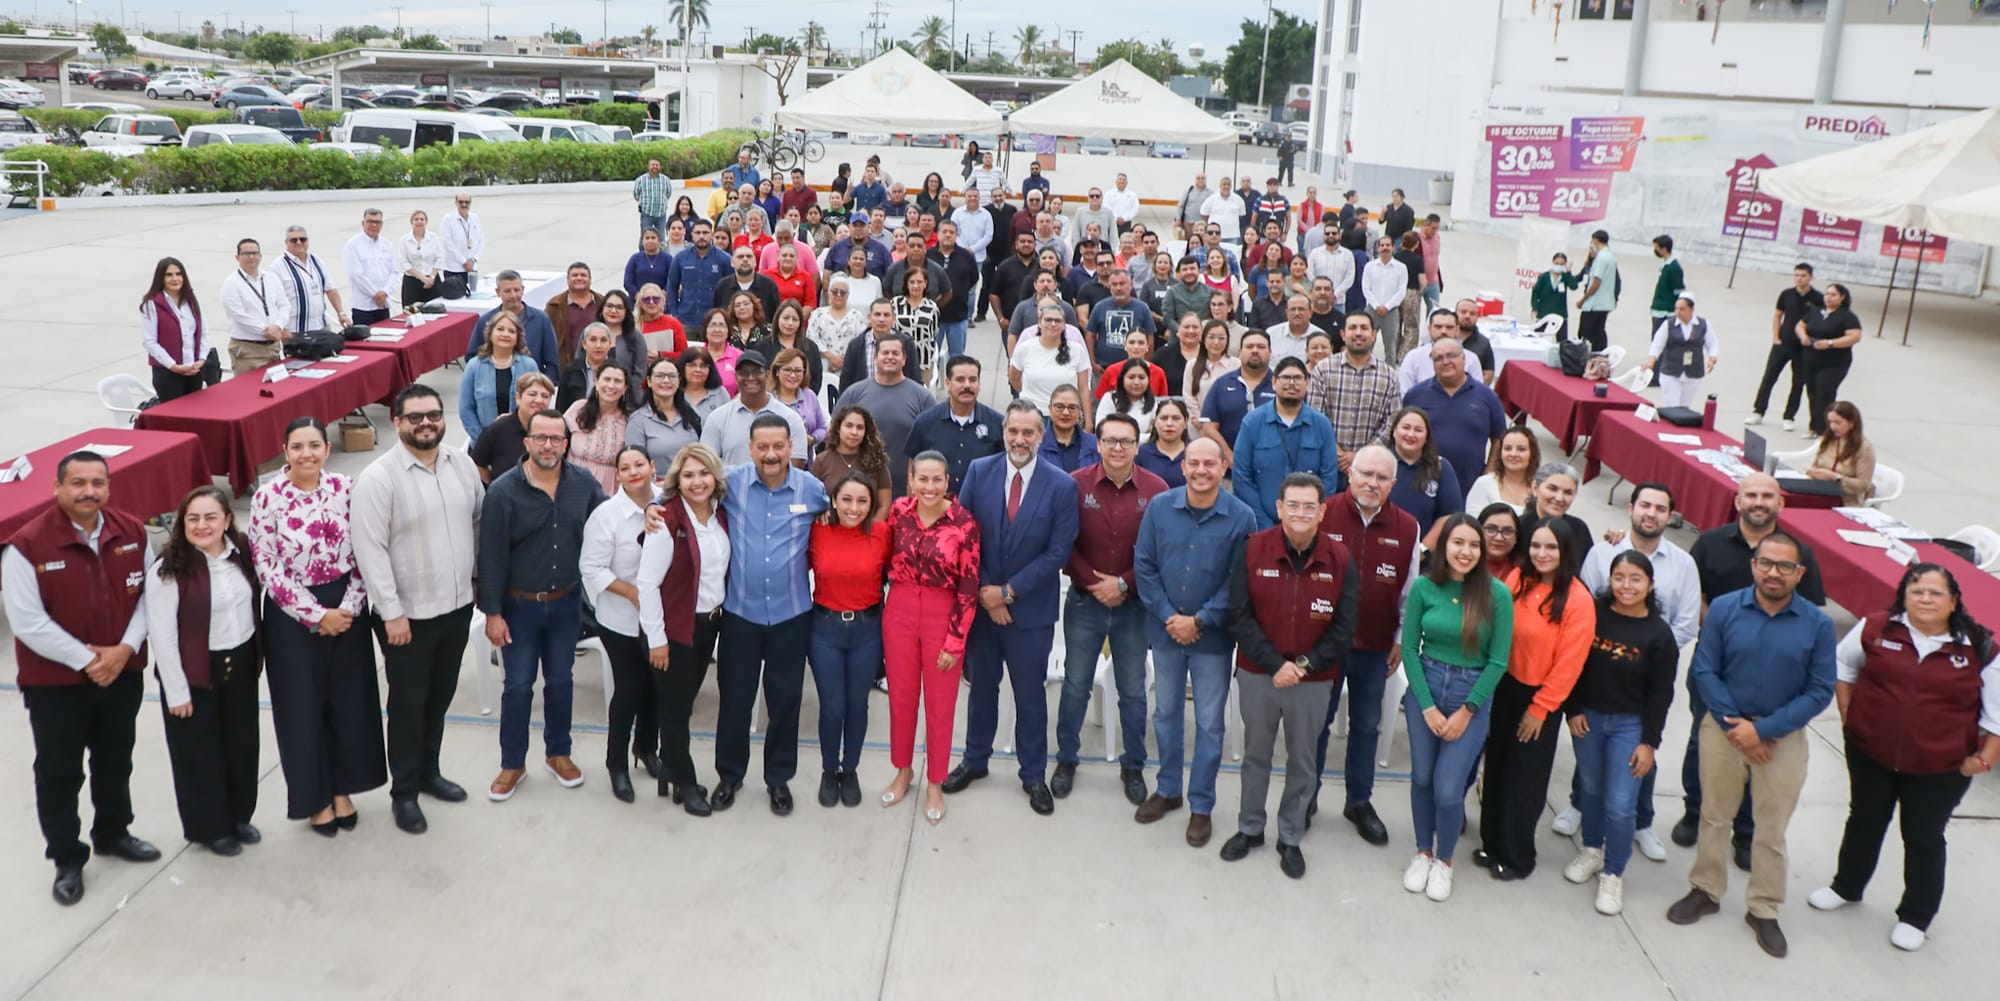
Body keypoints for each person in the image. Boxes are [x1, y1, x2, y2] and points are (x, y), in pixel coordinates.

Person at [1812, 563, 2000, 952]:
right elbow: (1843, 668)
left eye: (1935, 592)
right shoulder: (1876, 628)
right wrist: (1850, 719)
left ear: (1954, 601)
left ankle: (1915, 916)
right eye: (1917, 591)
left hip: (1940, 769)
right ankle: (1846, 886)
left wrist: (1982, 760)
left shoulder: (1980, 647)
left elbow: (1996, 717)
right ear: (1904, 597)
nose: (1925, 598)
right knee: (1863, 821)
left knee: (1923, 838)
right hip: (1871, 754)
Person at [1668, 532, 1836, 960]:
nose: (1773, 573)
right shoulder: (1725, 609)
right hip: (1723, 730)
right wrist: (1735, 727)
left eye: (1784, 567)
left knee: (1771, 829)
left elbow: (1820, 690)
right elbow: (1705, 670)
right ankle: (1705, 889)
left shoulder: (1817, 624)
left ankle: (1763, 907)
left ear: (1800, 574)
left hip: (1782, 737)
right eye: (1766, 563)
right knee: (1714, 815)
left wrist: (1762, 732)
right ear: (1753, 565)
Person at [5, 451, 159, 905]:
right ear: (57, 488)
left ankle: (113, 833)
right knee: (59, 772)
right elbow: (27, 621)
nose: (89, 491)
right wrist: (90, 661)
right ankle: (67, 858)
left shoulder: (132, 531)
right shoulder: (26, 545)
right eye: (78, 483)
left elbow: (151, 596)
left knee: (115, 759)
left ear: (108, 488)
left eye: (98, 482)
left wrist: (125, 650)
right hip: (56, 687)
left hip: (122, 676)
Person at [348, 385, 482, 836]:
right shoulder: (379, 478)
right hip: (407, 617)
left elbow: (477, 522)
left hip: (458, 605)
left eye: (433, 415)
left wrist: (479, 581)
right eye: (415, 417)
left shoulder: (460, 464)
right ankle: (403, 793)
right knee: (407, 706)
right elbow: (370, 550)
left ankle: (429, 771)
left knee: (439, 698)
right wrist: (392, 613)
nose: (426, 423)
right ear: (398, 421)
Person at [1677, 474, 1828, 859]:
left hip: (1776, 678)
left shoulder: (1801, 554)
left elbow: (1809, 616)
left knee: (1761, 752)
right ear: (1738, 501)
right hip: (1716, 667)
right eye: (1751, 495)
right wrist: (1727, 629)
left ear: (1781, 503)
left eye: (1767, 496)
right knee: (1703, 743)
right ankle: (1695, 812)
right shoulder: (1710, 543)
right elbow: (1697, 598)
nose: (1759, 502)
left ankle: (1745, 831)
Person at [942, 401, 1080, 816]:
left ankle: (1033, 774)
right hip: (984, 610)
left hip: (1030, 614)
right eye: (1013, 431)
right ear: (1004, 433)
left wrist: (1008, 593)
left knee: (1030, 697)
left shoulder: (1061, 486)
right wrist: (987, 591)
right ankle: (975, 759)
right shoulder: (981, 472)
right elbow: (962, 533)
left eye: (1028, 433)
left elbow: (1058, 551)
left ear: (1042, 436)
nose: (1020, 440)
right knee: (982, 689)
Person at [251, 418, 384, 834]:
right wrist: (315, 614)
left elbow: (366, 548)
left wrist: (346, 607)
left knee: (348, 703)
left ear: (327, 449)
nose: (306, 453)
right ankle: (314, 797)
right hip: (292, 614)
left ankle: (343, 787)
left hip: (346, 605)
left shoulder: (346, 488)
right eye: (297, 446)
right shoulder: (268, 496)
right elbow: (266, 564)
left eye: (314, 445)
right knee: (302, 710)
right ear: (285, 451)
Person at [1223, 471, 1359, 880]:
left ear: (1322, 512)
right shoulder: (1251, 550)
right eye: (1292, 505)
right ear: (1279, 508)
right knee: (1256, 755)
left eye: (1310, 506)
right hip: (1258, 674)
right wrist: (1274, 664)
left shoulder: (1340, 558)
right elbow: (1239, 617)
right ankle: (1250, 828)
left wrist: (1301, 666)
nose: (1301, 512)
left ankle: (1290, 835)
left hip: (1313, 680)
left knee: (1302, 760)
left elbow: (1344, 626)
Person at [477, 408, 605, 801]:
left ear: (566, 445)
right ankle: (512, 764)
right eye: (541, 438)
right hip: (519, 609)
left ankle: (558, 753)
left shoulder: (583, 484)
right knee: (517, 687)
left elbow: (608, 522)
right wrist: (493, 614)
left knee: (562, 682)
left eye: (556, 439)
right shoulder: (502, 491)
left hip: (565, 604)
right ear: (527, 442)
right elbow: (491, 557)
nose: (549, 445)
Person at [710, 415, 829, 816]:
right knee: (735, 701)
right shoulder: (731, 482)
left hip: (791, 617)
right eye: (763, 447)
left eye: (779, 446)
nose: (772, 454)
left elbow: (847, 517)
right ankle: (729, 775)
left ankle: (778, 779)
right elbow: (679, 486)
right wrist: (656, 508)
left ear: (791, 447)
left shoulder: (813, 490)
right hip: (741, 615)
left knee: (784, 703)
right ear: (751, 448)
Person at [1051, 413, 1168, 804]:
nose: (1118, 448)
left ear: (1138, 445)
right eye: (1110, 440)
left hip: (1134, 607)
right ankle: (1067, 759)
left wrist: (1123, 584)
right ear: (1097, 444)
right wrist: (1096, 584)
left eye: (1126, 441)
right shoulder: (1074, 485)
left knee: (1133, 692)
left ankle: (1132, 765)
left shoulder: (1157, 489)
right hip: (1085, 601)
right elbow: (1063, 544)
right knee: (1075, 685)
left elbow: (1158, 552)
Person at [1400, 514, 1515, 902]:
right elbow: (1410, 651)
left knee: (1448, 789)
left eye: (1474, 545)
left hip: (1471, 692)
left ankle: (1444, 861)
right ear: (1443, 546)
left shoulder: (1496, 594)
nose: (1466, 552)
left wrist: (1467, 711)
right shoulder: (1423, 588)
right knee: (1421, 778)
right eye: (1458, 543)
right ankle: (1422, 851)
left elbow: (1498, 661)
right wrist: (1428, 707)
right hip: (1426, 687)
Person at [1311, 445, 1419, 846]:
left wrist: (1399, 640)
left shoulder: (1408, 526)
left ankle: (1359, 800)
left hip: (1375, 647)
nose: (1372, 483)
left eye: (1381, 477)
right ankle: (1307, 796)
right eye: (1365, 474)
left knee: (1366, 726)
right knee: (1316, 725)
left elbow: (1409, 590)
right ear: (1350, 475)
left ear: (1393, 483)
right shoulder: (1323, 512)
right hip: (1323, 645)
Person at [145, 485, 261, 858]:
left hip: (240, 664)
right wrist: (177, 691)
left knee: (241, 746)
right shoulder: (169, 568)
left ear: (227, 519)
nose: (201, 525)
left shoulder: (240, 552)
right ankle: (210, 828)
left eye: (211, 516)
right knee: (200, 754)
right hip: (195, 671)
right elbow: (162, 634)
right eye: (192, 518)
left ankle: (239, 816)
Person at [1562, 550, 1680, 916]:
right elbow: (1573, 663)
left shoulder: (1659, 634)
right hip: (1589, 720)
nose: (1626, 586)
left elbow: (1662, 694)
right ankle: (1592, 850)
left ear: (1650, 584)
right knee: (1592, 790)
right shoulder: (1593, 616)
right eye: (1619, 578)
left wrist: (1650, 742)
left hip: (1630, 725)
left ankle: (1614, 872)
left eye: (1635, 579)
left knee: (1620, 802)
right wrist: (1573, 709)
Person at [1477, 520, 1594, 881]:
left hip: (1539, 697)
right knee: (1496, 768)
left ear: (1566, 552)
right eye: (1537, 547)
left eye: (1551, 548)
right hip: (1504, 685)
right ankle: (1492, 843)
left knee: (1524, 780)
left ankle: (1517, 856)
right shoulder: (1516, 580)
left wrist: (1540, 709)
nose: (1542, 555)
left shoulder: (1578, 600)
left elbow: (1569, 665)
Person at [636, 442, 730, 814]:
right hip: (674, 631)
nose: (697, 481)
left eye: (704, 473)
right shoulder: (665, 521)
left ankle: (671, 772)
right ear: (677, 479)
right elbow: (647, 584)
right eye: (688, 475)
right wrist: (657, 641)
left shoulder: (720, 514)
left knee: (682, 703)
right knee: (676, 711)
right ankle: (687, 784)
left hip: (708, 625)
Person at [803, 473, 891, 809]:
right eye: (847, 500)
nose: (854, 508)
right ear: (834, 502)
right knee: (833, 706)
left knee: (857, 705)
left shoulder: (882, 534)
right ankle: (829, 769)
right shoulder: (818, 530)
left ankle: (850, 768)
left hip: (867, 630)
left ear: (871, 505)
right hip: (825, 628)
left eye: (862, 501)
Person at [579, 447, 661, 804]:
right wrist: (632, 593)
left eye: (639, 465)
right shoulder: (606, 515)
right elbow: (592, 568)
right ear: (618, 475)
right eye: (624, 468)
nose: (633, 472)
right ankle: (617, 764)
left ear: (652, 467)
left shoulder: (668, 502)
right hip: (622, 620)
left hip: (660, 620)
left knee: (657, 689)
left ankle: (646, 748)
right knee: (628, 691)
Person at [1231, 357, 1338, 530]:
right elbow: (1241, 477)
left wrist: (1309, 519)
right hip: (1261, 527)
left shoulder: (1321, 424)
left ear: (1307, 383)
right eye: (1285, 378)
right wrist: (1264, 523)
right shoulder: (1252, 422)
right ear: (1274, 382)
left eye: (1297, 378)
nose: (1291, 383)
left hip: (1307, 527)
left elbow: (1329, 479)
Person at [1306, 311, 1401, 492]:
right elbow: (1314, 416)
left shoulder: (1389, 376)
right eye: (1352, 328)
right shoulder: (1323, 370)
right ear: (1343, 334)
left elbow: (1392, 423)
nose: (1358, 333)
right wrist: (1337, 452)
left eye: (1364, 328)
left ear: (1374, 335)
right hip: (1327, 465)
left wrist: (1360, 456)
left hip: (1370, 470)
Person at [1403, 338, 1507, 493]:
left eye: (1451, 355)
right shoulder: (1415, 396)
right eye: (1438, 358)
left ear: (1463, 358)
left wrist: (1490, 472)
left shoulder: (1487, 397)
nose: (1445, 361)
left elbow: (1500, 437)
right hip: (1423, 482)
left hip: (1471, 484)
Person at [836, 336, 935, 493]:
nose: (890, 357)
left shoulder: (922, 397)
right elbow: (835, 436)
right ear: (875, 358)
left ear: (904, 359)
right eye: (885, 352)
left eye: (895, 353)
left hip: (906, 488)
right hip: (860, 487)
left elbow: (933, 443)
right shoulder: (854, 393)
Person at [904, 355, 1005, 495]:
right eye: (960, 380)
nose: (967, 385)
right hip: (937, 507)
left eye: (973, 380)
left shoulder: (997, 423)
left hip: (981, 509)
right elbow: (912, 470)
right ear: (948, 383)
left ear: (979, 384)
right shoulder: (925, 422)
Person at [1749, 264, 1822, 432]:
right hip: (1783, 344)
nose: (1799, 278)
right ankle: (1758, 411)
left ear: (1810, 277)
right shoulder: (1786, 294)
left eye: (1803, 275)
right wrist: (1776, 338)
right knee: (1769, 378)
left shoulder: (1818, 298)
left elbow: (1818, 322)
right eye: (1796, 275)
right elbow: (1777, 316)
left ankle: (1789, 416)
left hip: (1803, 348)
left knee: (1798, 383)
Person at [140, 257, 220, 402]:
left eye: (178, 274)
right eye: (169, 275)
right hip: (168, 373)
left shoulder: (190, 300)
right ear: (160, 278)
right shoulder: (152, 304)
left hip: (194, 370)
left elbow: (203, 333)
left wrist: (201, 359)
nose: (175, 278)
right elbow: (149, 342)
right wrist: (173, 366)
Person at [1386, 406, 1463, 547]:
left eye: (1418, 430)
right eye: (1406, 427)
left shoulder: (1441, 467)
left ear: (1427, 436)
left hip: (1424, 558)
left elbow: (1448, 515)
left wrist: (1422, 550)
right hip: (1381, 549)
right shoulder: (1379, 462)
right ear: (1394, 431)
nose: (1411, 434)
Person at [458, 313, 542, 442]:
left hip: (522, 442)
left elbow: (537, 405)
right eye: (500, 329)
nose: (505, 334)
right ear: (490, 333)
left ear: (518, 337)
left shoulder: (529, 365)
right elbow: (466, 408)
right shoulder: (474, 366)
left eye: (511, 331)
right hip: (483, 442)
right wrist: (483, 439)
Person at [1796, 281, 1862, 438]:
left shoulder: (1847, 316)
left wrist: (1830, 343)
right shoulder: (1815, 311)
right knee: (1812, 392)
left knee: (1824, 392)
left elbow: (1855, 336)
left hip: (1834, 363)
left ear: (1842, 297)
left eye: (1833, 295)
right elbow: (1800, 325)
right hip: (1811, 359)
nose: (1828, 298)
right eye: (1827, 294)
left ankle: (1827, 430)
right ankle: (1814, 426)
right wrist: (1804, 337)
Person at [219, 237, 291, 375]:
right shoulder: (231, 283)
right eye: (246, 254)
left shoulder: (271, 278)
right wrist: (266, 330)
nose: (251, 257)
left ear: (260, 256)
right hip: (248, 350)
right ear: (237, 257)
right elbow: (238, 315)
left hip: (273, 347)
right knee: (249, 392)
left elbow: (284, 305)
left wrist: (278, 326)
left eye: (255, 253)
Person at [468, 371, 555, 484]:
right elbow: (477, 464)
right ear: (518, 398)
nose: (539, 400)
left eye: (545, 396)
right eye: (532, 394)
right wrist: (494, 488)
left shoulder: (554, 431)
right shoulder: (497, 429)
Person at [564, 360, 633, 495]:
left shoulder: (629, 420)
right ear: (596, 382)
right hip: (572, 484)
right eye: (606, 379)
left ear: (625, 388)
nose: (611, 385)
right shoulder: (578, 408)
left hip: (609, 490)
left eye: (617, 381)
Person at [1010, 304, 1092, 415]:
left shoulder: (1077, 350)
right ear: (1039, 323)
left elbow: (1083, 389)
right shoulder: (1024, 348)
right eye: (1048, 320)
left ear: (1064, 325)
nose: (1053, 324)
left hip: (1066, 415)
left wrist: (1088, 421)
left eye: (1058, 321)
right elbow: (1014, 378)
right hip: (1032, 414)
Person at [626, 355, 703, 469]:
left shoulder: (691, 415)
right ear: (649, 381)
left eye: (672, 376)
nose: (666, 380)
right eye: (660, 376)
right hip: (657, 485)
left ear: (679, 381)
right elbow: (635, 465)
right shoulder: (638, 421)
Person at [465, 270, 559, 364]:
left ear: (523, 289)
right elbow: (472, 357)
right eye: (507, 291)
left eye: (516, 290)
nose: (513, 295)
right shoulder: (486, 321)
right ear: (498, 292)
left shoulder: (541, 319)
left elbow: (552, 359)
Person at [1643, 295, 1720, 409]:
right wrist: (1651, 360)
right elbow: (1657, 344)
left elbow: (1712, 343)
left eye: (1682, 309)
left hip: (1693, 372)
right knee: (1671, 405)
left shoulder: (1703, 324)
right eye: (1676, 309)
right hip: (1671, 372)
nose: (1678, 312)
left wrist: (1712, 358)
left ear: (1691, 309)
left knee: (1684, 408)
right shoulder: (1669, 324)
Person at [276, 225, 348, 334]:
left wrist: (341, 313)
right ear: (286, 242)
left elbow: (330, 290)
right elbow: (274, 301)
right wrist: (283, 328)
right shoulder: (278, 266)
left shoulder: (317, 261)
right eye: (294, 240)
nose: (299, 243)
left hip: (321, 326)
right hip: (295, 330)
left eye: (303, 239)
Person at [1519, 462, 1593, 561]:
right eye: (1552, 489)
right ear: (1535, 488)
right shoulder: (1518, 527)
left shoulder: (1579, 528)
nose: (1559, 498)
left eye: (1568, 492)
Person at [670, 220, 731, 331]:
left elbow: (731, 288)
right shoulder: (680, 258)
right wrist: (674, 313)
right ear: (692, 235)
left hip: (714, 321)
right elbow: (672, 286)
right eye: (697, 233)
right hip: (686, 319)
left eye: (705, 232)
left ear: (712, 235)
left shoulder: (725, 259)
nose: (701, 236)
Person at [1465, 426, 1540, 516]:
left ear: (1532, 453)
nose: (1513, 454)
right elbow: (1473, 524)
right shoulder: (1483, 484)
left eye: (1521, 449)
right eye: (1507, 448)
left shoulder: (1541, 488)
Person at [343, 207, 396, 326]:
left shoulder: (386, 243)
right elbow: (356, 275)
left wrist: (385, 292)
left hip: (383, 305)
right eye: (370, 221)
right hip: (363, 306)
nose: (374, 225)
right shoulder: (353, 245)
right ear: (363, 223)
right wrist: (376, 295)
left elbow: (394, 272)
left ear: (382, 224)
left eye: (377, 222)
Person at [767, 347, 829, 445]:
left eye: (798, 371)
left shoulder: (810, 396)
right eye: (788, 370)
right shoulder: (766, 399)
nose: (793, 375)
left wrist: (813, 439)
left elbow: (822, 427)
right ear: (777, 371)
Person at [556, 322, 622, 412]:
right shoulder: (571, 370)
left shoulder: (618, 371)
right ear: (584, 344)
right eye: (593, 340)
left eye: (603, 340)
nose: (598, 345)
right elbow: (561, 407)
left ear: (610, 344)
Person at [1575, 229, 1618, 352]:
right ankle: (1600, 358)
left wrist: (1583, 300)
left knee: (1585, 333)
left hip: (1595, 304)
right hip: (1604, 304)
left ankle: (1589, 359)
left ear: (1596, 241)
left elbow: (1596, 283)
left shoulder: (1601, 258)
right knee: (1599, 333)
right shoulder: (1610, 257)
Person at [1096, 358, 1160, 439]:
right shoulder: (1110, 399)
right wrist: (1146, 437)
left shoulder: (1154, 402)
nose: (1136, 382)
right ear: (1122, 379)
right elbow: (1102, 432)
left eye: (1141, 377)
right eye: (1131, 377)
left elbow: (1157, 437)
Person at [1360, 237, 1408, 344]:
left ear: (1393, 248)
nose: (1385, 248)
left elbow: (1401, 291)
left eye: (1387, 245)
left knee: (1390, 346)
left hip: (1391, 311)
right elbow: (1366, 288)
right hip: (1372, 310)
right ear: (1378, 248)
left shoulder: (1401, 268)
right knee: (1366, 343)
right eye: (1382, 245)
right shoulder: (1370, 266)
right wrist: (1376, 305)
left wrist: (1387, 307)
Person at [396, 210, 444, 308]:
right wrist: (422, 278)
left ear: (426, 222)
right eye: (416, 219)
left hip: (432, 281)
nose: (419, 222)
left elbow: (440, 258)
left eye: (422, 219)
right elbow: (404, 262)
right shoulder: (405, 240)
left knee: (435, 314)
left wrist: (431, 277)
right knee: (412, 314)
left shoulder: (434, 237)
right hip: (412, 282)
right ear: (411, 222)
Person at [1531, 252, 1579, 342]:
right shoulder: (1544, 277)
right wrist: (1534, 308)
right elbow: (1535, 292)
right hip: (1544, 313)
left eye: (1562, 264)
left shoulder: (1565, 277)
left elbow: (1574, 286)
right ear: (1553, 262)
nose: (1558, 266)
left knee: (1562, 342)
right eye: (1556, 263)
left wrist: (1568, 272)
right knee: (1539, 339)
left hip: (1561, 314)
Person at [441, 192, 483, 291]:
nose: (464, 205)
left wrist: (473, 260)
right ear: (456, 203)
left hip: (472, 269)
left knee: (472, 296)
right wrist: (464, 262)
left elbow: (481, 242)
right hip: (454, 269)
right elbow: (448, 244)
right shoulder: (448, 219)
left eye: (467, 202)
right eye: (461, 202)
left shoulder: (475, 218)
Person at [626, 228, 676, 299]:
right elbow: (628, 282)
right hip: (638, 301)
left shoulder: (668, 258)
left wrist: (663, 293)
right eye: (647, 238)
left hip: (662, 301)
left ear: (659, 240)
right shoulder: (635, 258)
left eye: (653, 238)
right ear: (642, 241)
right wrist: (637, 294)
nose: (650, 240)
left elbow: (673, 279)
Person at [1480, 503, 1524, 580]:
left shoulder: (1525, 571)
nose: (1499, 538)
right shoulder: (1466, 565)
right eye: (1491, 529)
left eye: (1507, 531)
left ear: (1516, 537)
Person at [633, 157, 673, 239]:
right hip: (647, 214)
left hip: (661, 214)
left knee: (661, 238)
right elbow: (636, 194)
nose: (655, 166)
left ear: (660, 167)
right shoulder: (641, 180)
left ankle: (660, 251)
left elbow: (668, 194)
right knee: (645, 236)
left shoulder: (666, 180)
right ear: (648, 167)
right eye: (652, 165)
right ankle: (643, 251)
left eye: (657, 165)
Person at [1201, 177, 1246, 247]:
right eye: (1224, 184)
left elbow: (1241, 215)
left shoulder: (1238, 199)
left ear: (1231, 186)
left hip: (1233, 236)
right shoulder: (1212, 199)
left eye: (1228, 184)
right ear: (1220, 186)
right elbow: (1204, 214)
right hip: (1215, 235)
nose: (1226, 186)